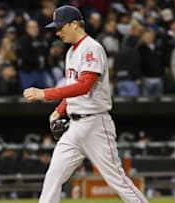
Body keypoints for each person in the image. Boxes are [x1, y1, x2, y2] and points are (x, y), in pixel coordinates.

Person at [23, 5, 148, 203]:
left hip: (95, 124)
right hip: (74, 127)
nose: (57, 32)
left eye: (60, 26)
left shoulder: (92, 48)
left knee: (117, 180)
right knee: (53, 177)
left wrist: (45, 94)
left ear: (74, 24)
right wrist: (60, 109)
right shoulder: (71, 52)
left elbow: (84, 86)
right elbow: (72, 88)